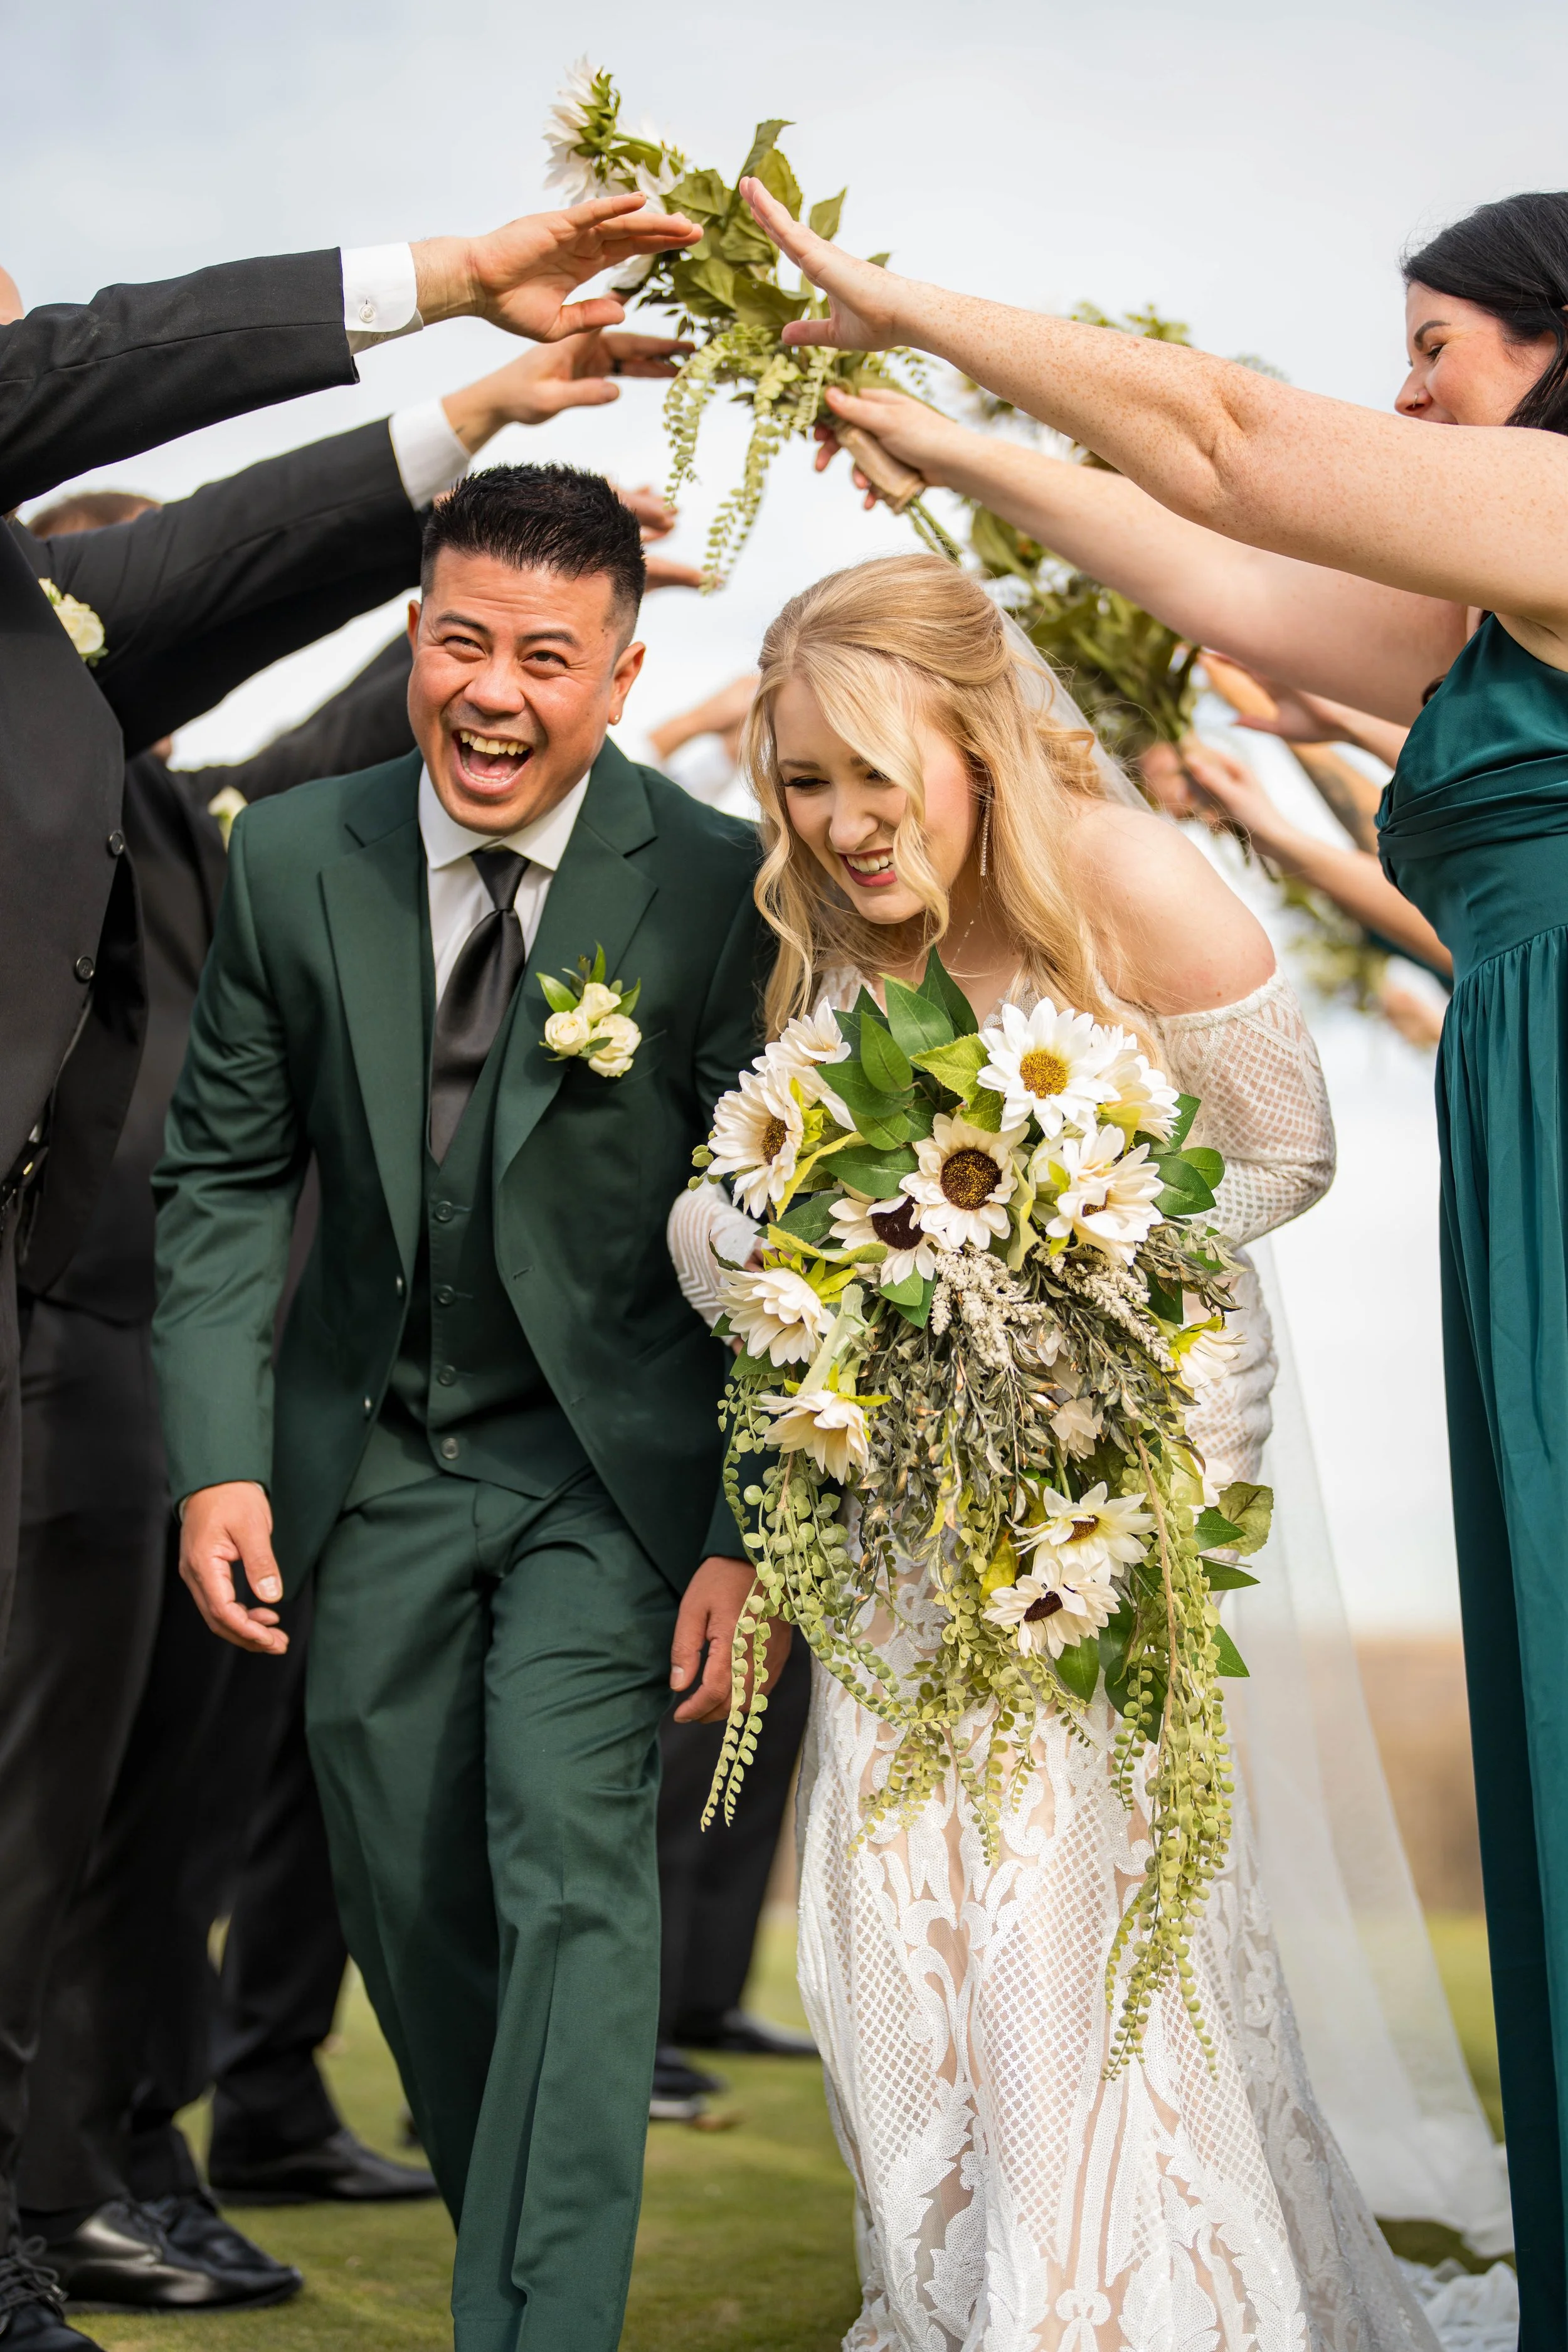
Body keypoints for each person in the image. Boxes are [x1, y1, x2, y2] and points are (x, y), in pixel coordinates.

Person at [741, 176, 1568, 2341]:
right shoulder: (1495, 609)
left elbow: (1220, 433)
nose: (1403, 397)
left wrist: (887, 300)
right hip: (1526, 1132)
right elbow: (1233, 571)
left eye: (1436, 351)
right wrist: (942, 450)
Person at [666, 550, 1448, 2349]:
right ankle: (942, 2285)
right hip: (897, 1493)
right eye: (803, 778)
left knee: (1058, 1888)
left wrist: (1055, 1243)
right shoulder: (836, 932)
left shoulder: (1117, 874)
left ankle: (1096, 2299)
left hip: (1116, 1456)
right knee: (888, 1890)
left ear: (981, 740)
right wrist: (759, 1250)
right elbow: (769, 1188)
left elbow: (1284, 1149)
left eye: (877, 769)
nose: (843, 820)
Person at [151, 462, 781, 2352]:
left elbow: (772, 1229)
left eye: (543, 656)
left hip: (609, 1471)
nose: (491, 691)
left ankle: (536, 2320)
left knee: (573, 1875)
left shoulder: (711, 886)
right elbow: (224, 1177)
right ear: (414, 636)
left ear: (619, 671)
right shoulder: (292, 855)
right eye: (458, 640)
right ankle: (499, 2199)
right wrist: (219, 1458)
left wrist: (743, 1527)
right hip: (376, 1454)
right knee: (402, 1885)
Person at [0, 202, 702, 1808]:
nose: (27, 367)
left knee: (86, 1833)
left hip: (100, 1335)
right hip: (79, 1333)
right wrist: (445, 293)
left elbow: (235, 594)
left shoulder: (150, 752)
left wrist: (478, 477)